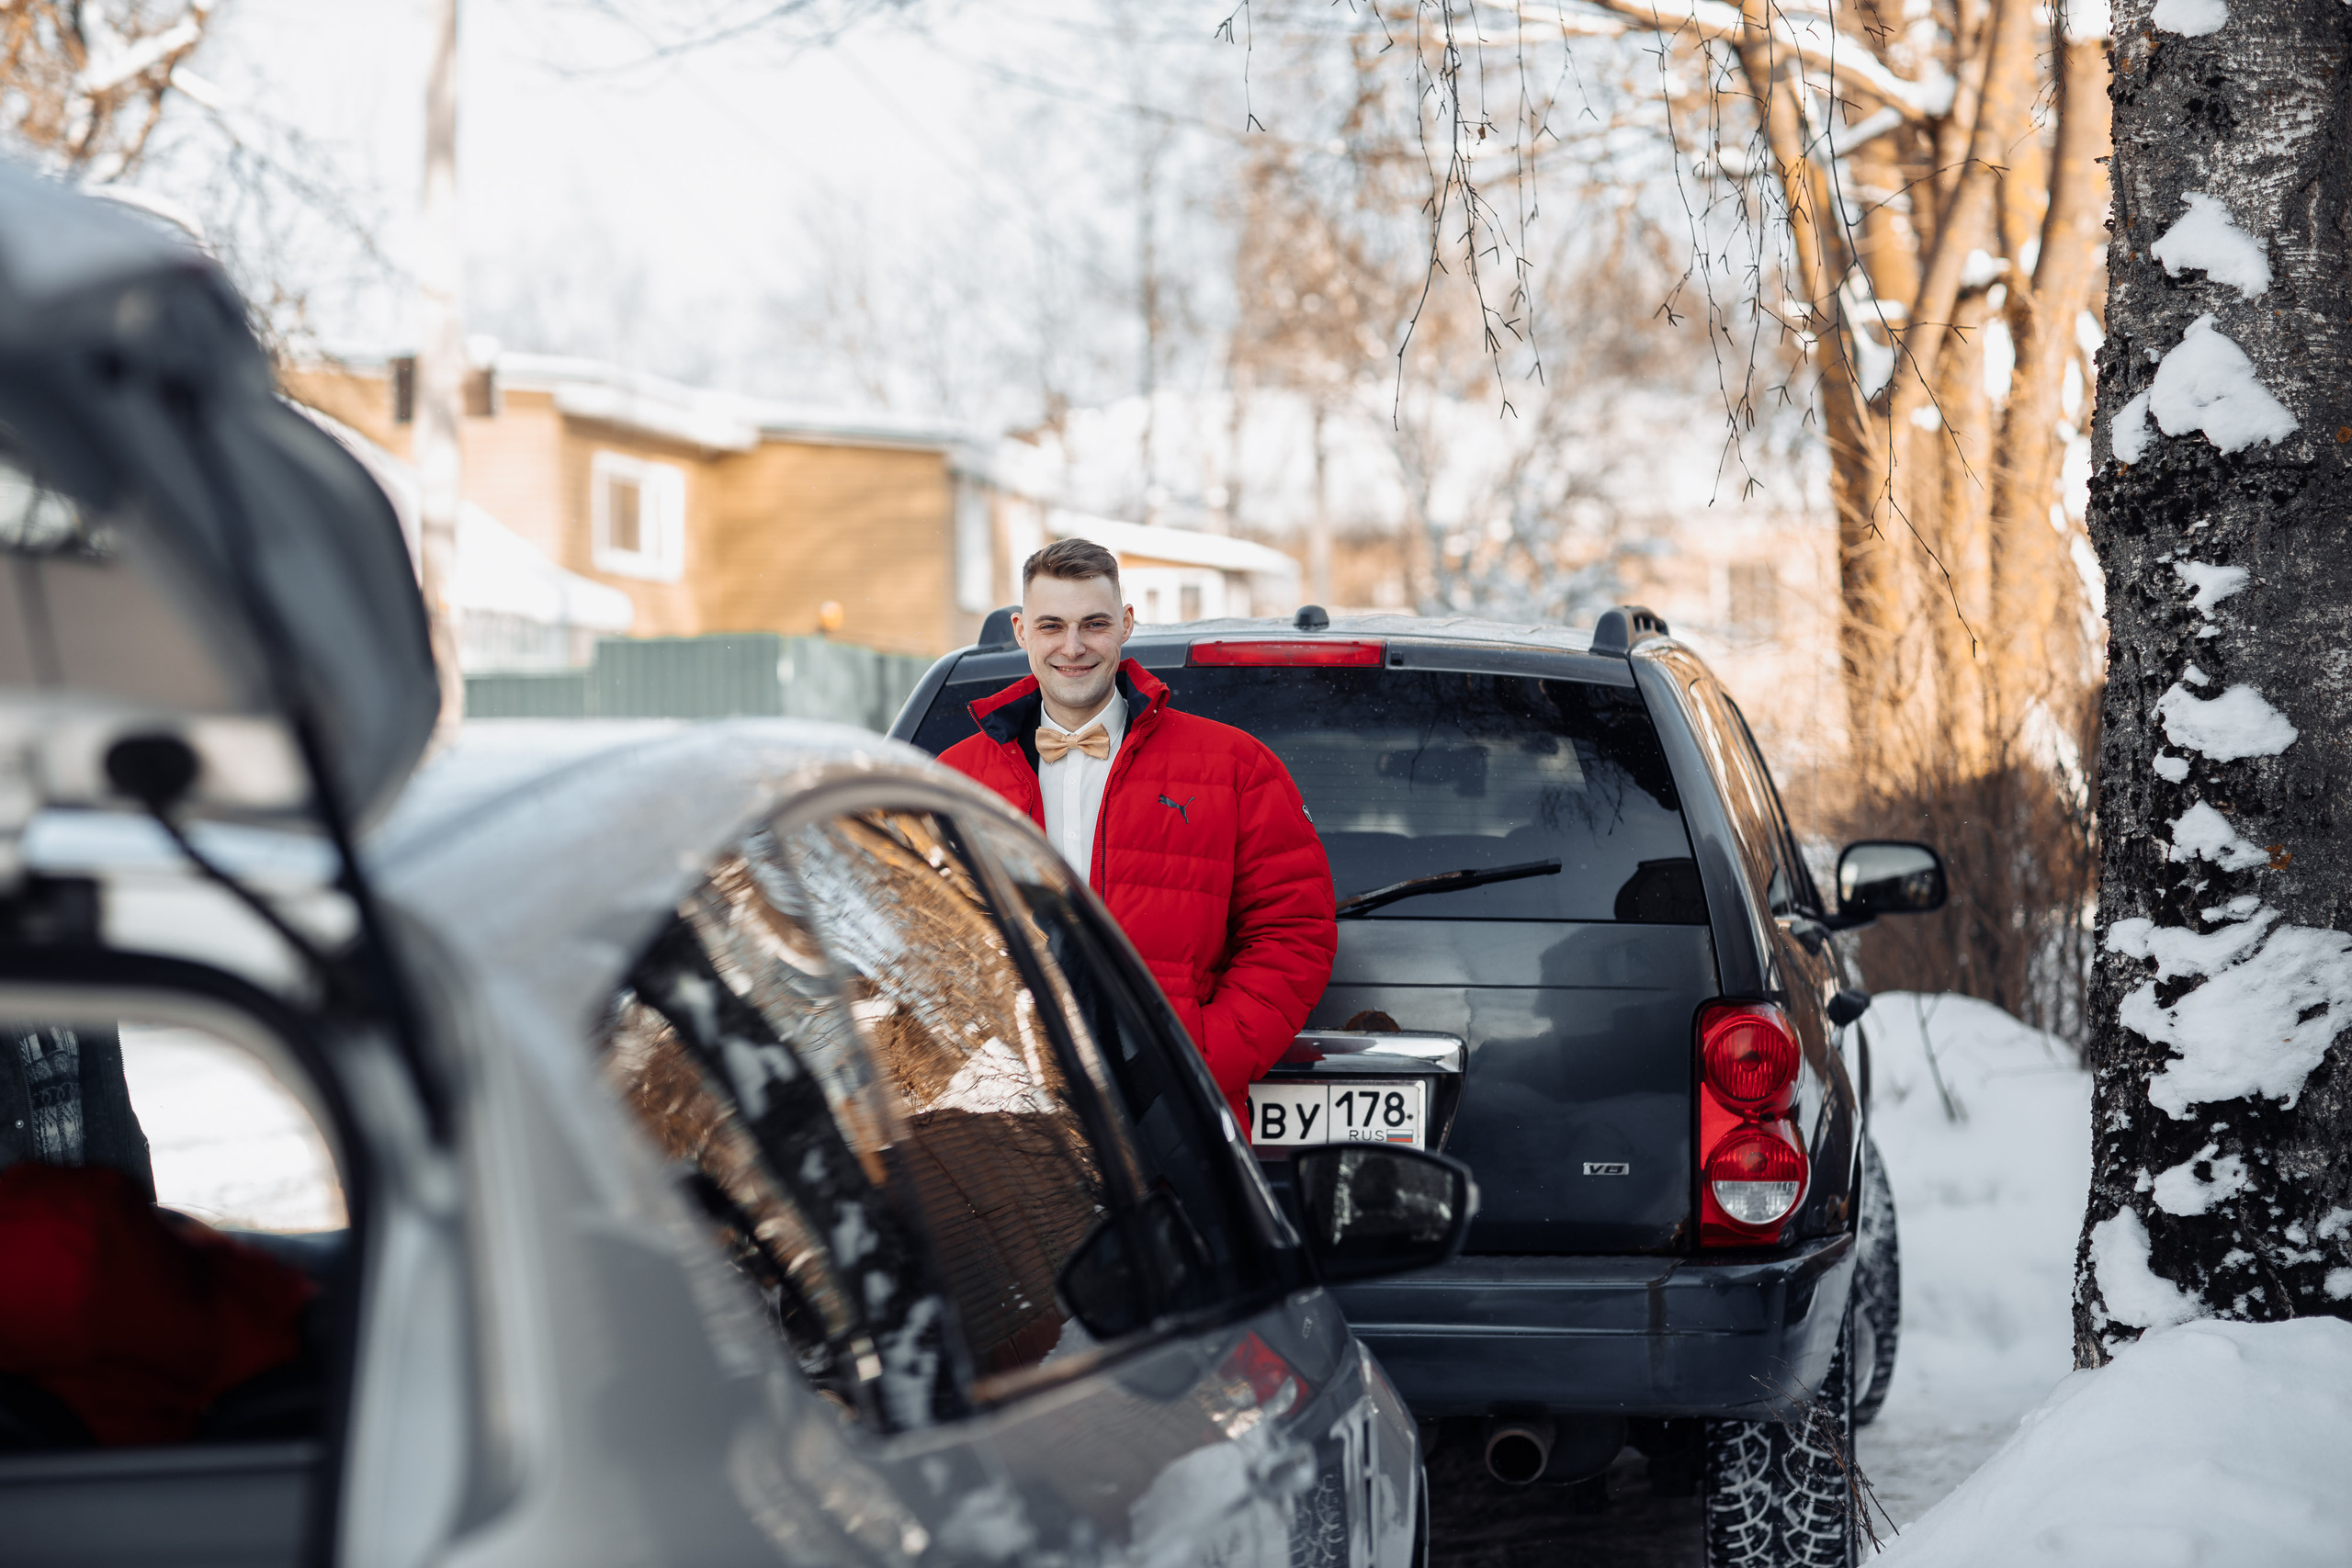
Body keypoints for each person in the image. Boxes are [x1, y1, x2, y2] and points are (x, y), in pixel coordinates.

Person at [939, 539, 1336, 1132]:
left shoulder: (1234, 765)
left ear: (1126, 624)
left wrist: (1194, 1061)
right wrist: (968, 1065)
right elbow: (914, 938)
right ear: (1022, 631)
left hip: (1173, 1115)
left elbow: (1293, 931)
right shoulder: (951, 782)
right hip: (1002, 1117)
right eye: (1052, 626)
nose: (1073, 646)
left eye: (1094, 624)